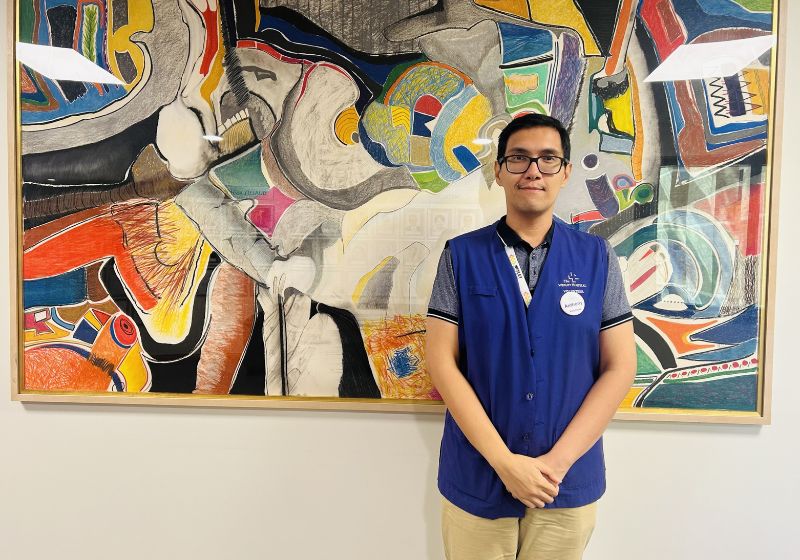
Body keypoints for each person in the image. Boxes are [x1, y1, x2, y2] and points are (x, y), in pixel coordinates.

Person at [425, 113, 636, 560]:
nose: (533, 170)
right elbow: (442, 363)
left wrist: (553, 466)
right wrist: (506, 465)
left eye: (547, 159)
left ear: (566, 172)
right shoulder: (461, 256)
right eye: (518, 159)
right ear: (499, 171)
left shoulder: (597, 257)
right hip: (478, 479)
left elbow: (620, 368)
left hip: (566, 481)